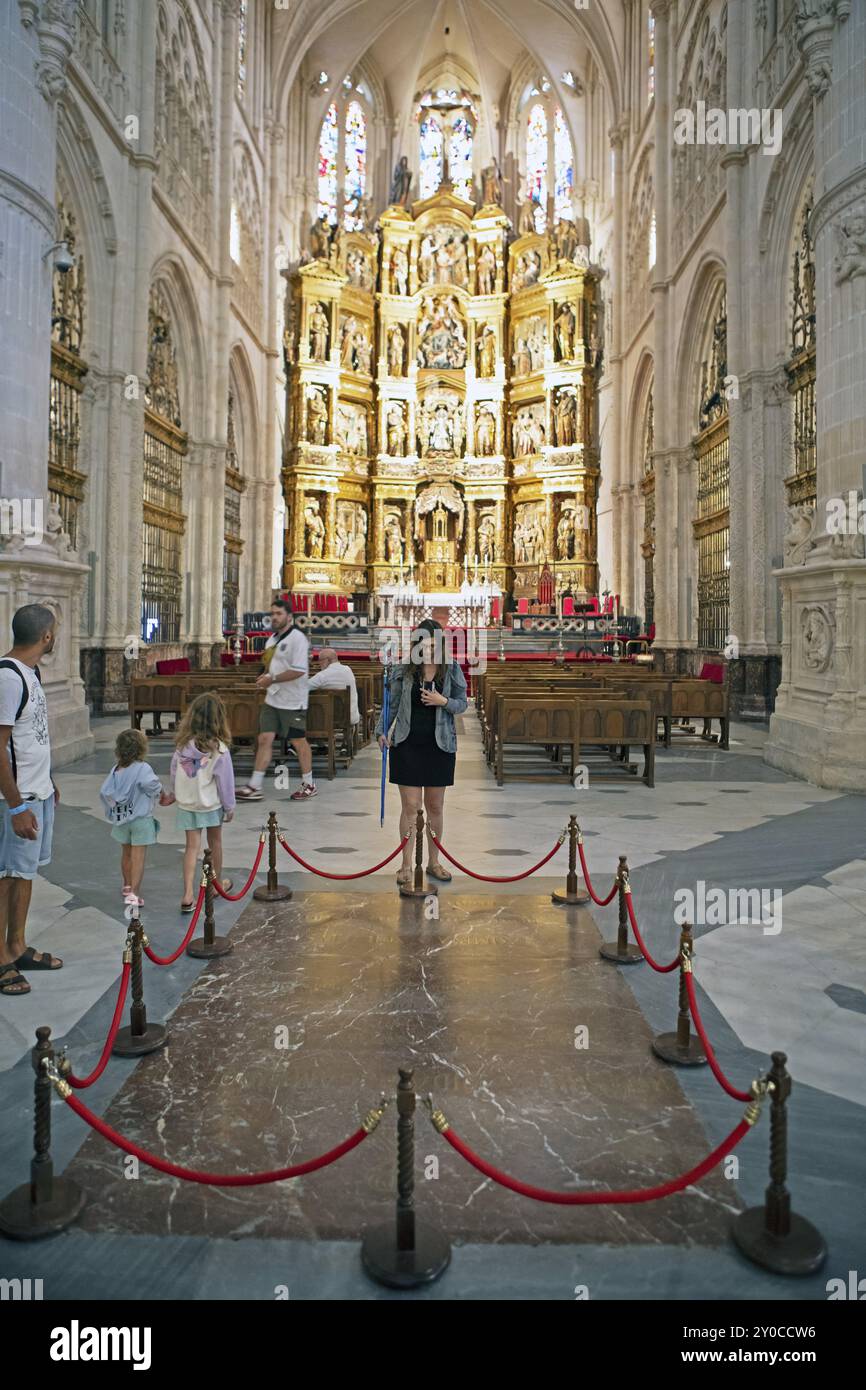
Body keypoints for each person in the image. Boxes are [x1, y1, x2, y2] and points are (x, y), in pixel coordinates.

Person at [376, 619, 468, 888]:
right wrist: (382, 732)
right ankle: (405, 864)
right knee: (410, 807)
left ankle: (434, 861)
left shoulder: (451, 669)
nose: (427, 650)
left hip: (440, 745)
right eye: (422, 644)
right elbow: (390, 706)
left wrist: (444, 702)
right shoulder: (404, 670)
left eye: (432, 645)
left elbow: (462, 703)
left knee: (435, 807)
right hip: (408, 743)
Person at [0, 604, 63, 996]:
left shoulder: (31, 672)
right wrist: (16, 805)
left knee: (24, 874)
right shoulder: (7, 678)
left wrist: (48, 780)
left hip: (36, 792)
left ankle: (17, 945)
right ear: (46, 637)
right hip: (15, 801)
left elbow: (30, 738)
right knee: (5, 877)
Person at [237, 598, 316, 802]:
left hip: (293, 700)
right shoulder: (271, 640)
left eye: (278, 613)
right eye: (272, 613)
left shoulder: (298, 639)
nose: (274, 617)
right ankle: (254, 785)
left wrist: (271, 678)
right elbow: (270, 665)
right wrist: (264, 676)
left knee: (298, 740)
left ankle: (309, 783)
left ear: (289, 617)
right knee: (264, 739)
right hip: (273, 698)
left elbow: (298, 671)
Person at [171, 694, 236, 913]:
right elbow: (225, 782)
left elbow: (174, 773)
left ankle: (188, 893)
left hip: (187, 803)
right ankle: (216, 886)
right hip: (210, 805)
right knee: (215, 842)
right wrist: (229, 806)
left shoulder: (181, 747)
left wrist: (174, 793)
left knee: (191, 847)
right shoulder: (220, 750)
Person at [100, 728, 173, 912]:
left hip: (122, 818)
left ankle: (126, 885)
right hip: (140, 819)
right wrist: (162, 794)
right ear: (141, 748)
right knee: (138, 857)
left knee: (126, 854)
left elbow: (106, 791)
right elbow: (152, 785)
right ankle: (134, 893)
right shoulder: (142, 768)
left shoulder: (116, 769)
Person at [308, 648, 360, 728]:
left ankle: (310, 736)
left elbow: (305, 686)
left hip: (332, 719)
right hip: (351, 716)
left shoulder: (323, 675)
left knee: (312, 704)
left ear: (327, 660)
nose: (319, 663)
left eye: (320, 660)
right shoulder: (348, 669)